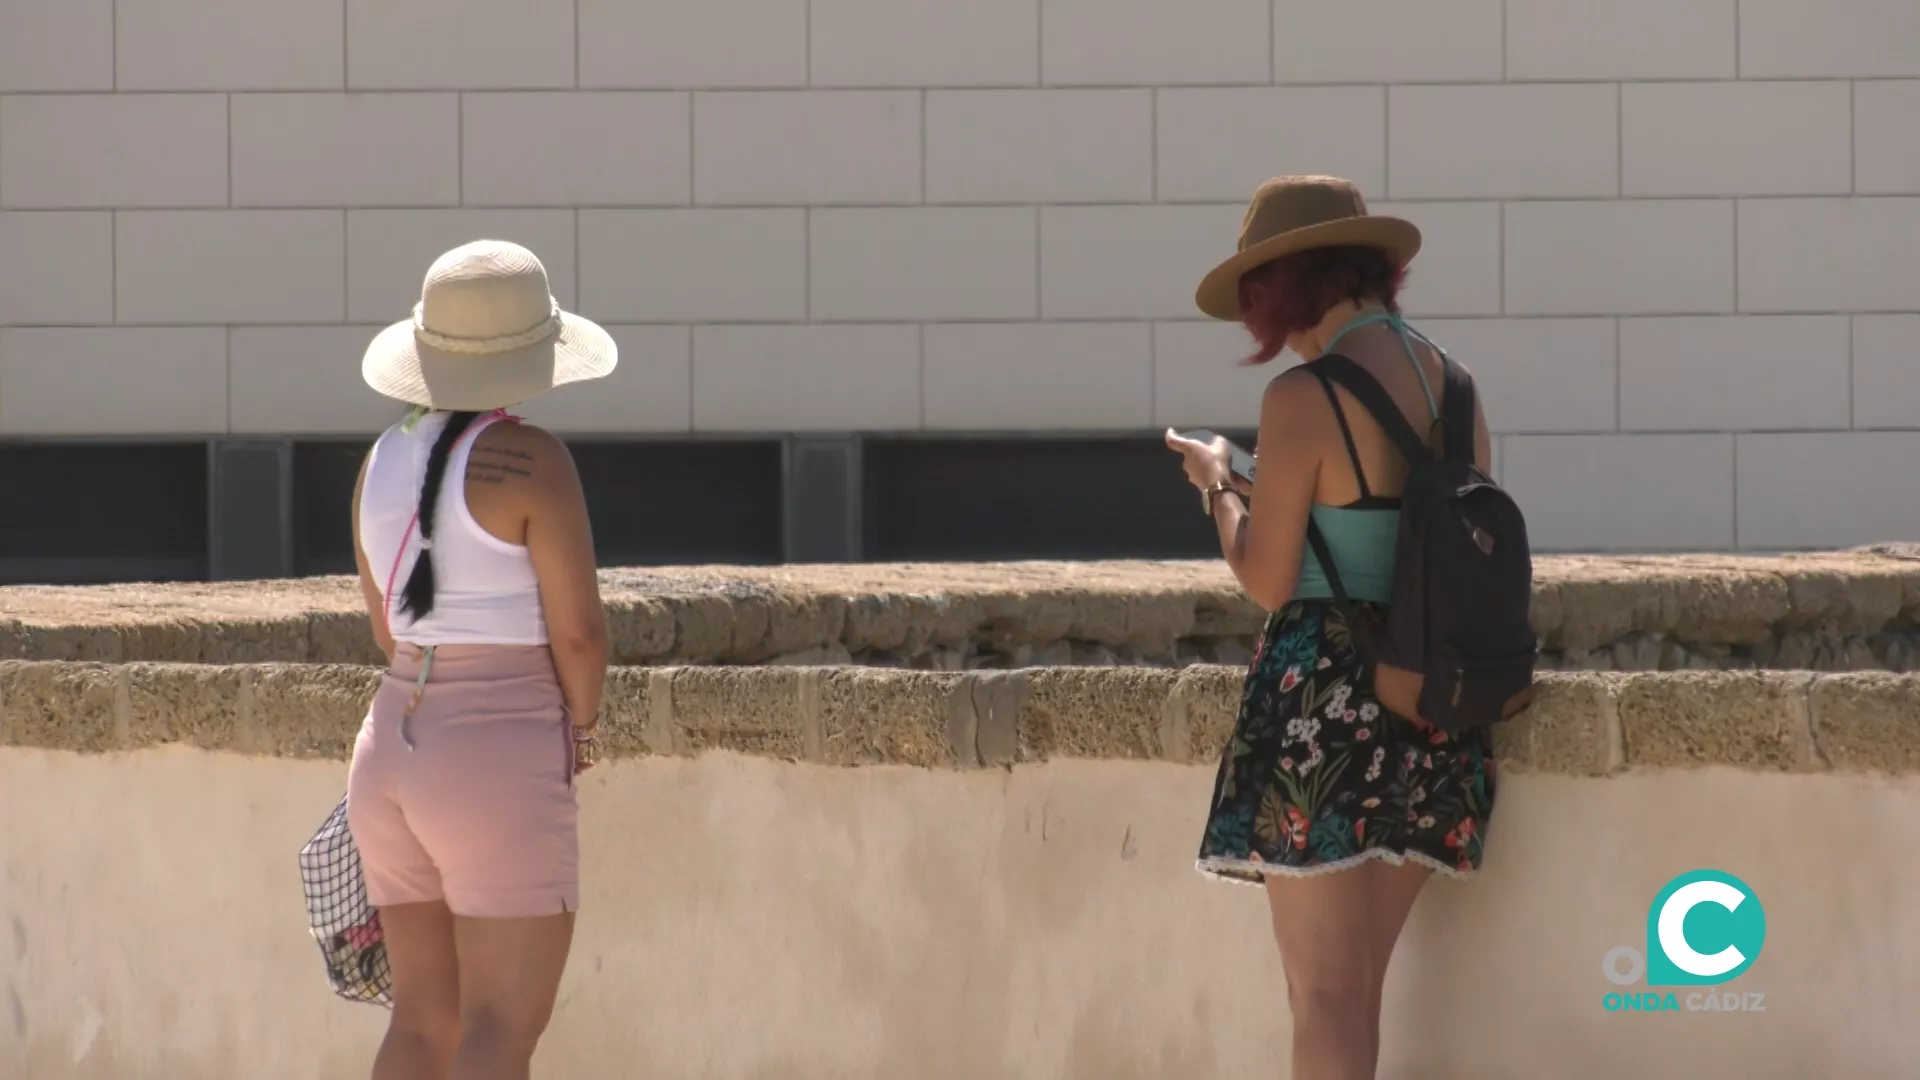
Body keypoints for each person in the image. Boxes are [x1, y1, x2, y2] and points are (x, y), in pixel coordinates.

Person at [1165, 176, 1497, 1080]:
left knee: (1321, 998)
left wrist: (1216, 487)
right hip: (1437, 699)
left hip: (1326, 704)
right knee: (1356, 998)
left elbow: (1269, 579)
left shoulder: (1302, 397)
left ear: (1285, 285)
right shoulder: (1455, 387)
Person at [345, 239, 616, 1080]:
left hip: (391, 743)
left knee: (424, 1025)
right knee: (501, 1028)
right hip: (496, 752)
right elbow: (578, 636)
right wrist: (584, 724)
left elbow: (391, 632)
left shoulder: (379, 459)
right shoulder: (533, 462)